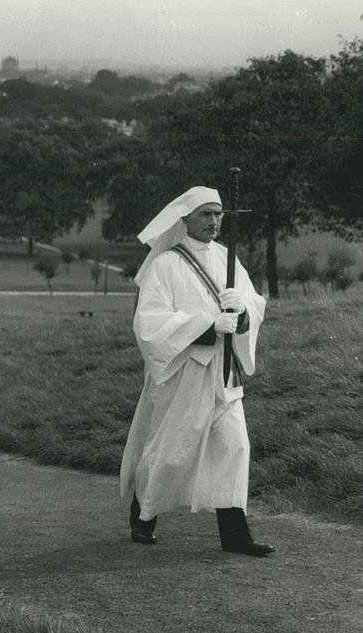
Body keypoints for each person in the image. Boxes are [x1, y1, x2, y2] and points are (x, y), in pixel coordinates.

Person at [119, 186, 274, 557]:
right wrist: (206, 325)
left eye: (219, 214)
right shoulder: (165, 265)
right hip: (185, 372)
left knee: (234, 446)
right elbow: (150, 323)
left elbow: (254, 303)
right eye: (205, 214)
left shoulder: (227, 259)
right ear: (184, 219)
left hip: (225, 374)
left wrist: (243, 313)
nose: (214, 221)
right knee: (172, 452)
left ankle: (236, 535)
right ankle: (143, 514)